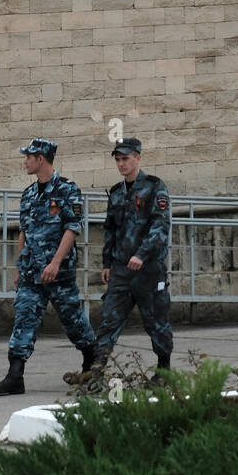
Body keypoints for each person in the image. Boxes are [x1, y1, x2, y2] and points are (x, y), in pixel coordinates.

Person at [0, 138, 96, 396]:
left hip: (59, 273)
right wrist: (18, 267)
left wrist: (56, 262)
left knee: (73, 320)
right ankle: (15, 376)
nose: (25, 161)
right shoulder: (29, 194)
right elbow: (23, 232)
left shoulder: (68, 189)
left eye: (28, 157)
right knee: (24, 317)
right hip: (31, 272)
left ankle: (93, 361)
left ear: (41, 159)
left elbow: (73, 228)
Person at [65, 135, 172, 382]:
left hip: (148, 270)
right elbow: (110, 229)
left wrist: (141, 255)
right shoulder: (116, 193)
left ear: (138, 158)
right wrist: (106, 262)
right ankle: (96, 371)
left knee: (156, 322)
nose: (121, 164)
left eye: (126, 159)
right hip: (122, 270)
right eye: (118, 159)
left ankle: (164, 371)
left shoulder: (155, 187)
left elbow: (160, 227)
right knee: (109, 320)